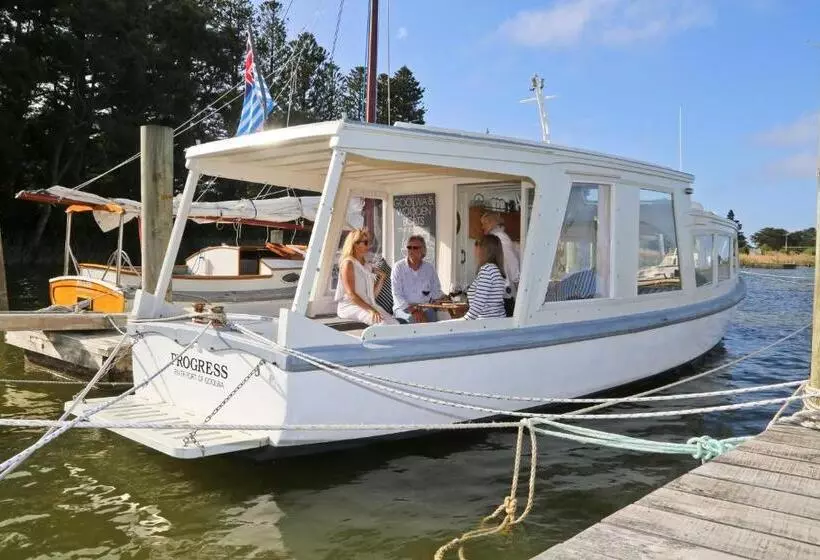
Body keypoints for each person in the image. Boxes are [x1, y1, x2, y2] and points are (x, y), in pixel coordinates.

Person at [335, 229, 398, 325]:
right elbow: (351, 294)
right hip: (351, 306)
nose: (368, 245)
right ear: (355, 244)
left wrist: (381, 278)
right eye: (365, 242)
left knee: (395, 324)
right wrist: (371, 310)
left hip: (368, 305)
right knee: (382, 324)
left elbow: (371, 296)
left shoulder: (366, 265)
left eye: (368, 242)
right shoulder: (348, 263)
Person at [391, 235, 445, 323]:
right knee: (414, 320)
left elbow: (436, 290)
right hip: (403, 308)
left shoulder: (429, 268)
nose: (411, 250)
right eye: (409, 247)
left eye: (415, 248)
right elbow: (397, 295)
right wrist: (414, 310)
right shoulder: (398, 267)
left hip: (425, 307)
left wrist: (440, 300)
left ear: (423, 251)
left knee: (436, 324)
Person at [480, 211, 520, 317]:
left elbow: (512, 263)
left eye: (484, 223)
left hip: (505, 295)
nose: (482, 227)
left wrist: (517, 282)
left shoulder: (501, 239)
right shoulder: (494, 238)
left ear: (491, 223)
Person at [463, 235, 507, 320]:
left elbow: (477, 306)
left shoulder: (487, 269)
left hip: (486, 324)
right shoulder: (496, 269)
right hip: (496, 322)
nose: (475, 251)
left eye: (478, 247)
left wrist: (459, 322)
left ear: (484, 250)